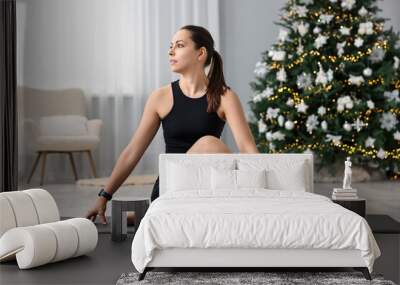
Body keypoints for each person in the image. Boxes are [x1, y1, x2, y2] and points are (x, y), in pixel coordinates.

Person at [86, 25, 259, 225]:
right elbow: (133, 151)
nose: (171, 51)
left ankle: (149, 216)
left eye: (179, 45)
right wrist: (104, 196)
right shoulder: (160, 97)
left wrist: (260, 190)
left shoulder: (225, 96)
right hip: (172, 188)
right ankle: (156, 213)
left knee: (210, 145)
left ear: (200, 53)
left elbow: (248, 148)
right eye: (171, 46)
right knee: (209, 143)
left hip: (210, 188)